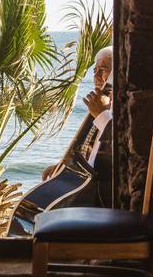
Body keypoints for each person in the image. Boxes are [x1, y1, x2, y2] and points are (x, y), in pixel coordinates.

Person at [41, 46, 113, 207]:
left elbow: (122, 150)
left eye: (103, 69)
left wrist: (102, 115)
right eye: (95, 70)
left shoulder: (123, 107)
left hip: (103, 198)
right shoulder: (103, 105)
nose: (96, 75)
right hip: (89, 189)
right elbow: (91, 155)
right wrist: (63, 170)